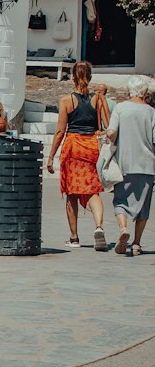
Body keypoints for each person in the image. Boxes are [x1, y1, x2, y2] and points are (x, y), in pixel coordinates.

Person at [46, 60, 111, 250]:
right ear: (90, 77)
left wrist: (51, 157)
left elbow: (60, 131)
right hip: (91, 147)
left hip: (73, 147)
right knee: (92, 190)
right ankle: (99, 226)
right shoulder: (97, 99)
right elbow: (106, 123)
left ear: (73, 76)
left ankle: (74, 237)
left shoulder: (67, 100)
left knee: (71, 193)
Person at [104, 75, 155, 256]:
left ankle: (123, 228)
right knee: (144, 205)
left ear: (129, 90)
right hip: (147, 165)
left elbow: (111, 132)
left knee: (120, 200)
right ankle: (136, 243)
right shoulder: (151, 112)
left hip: (124, 163)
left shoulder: (120, 108)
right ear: (145, 92)